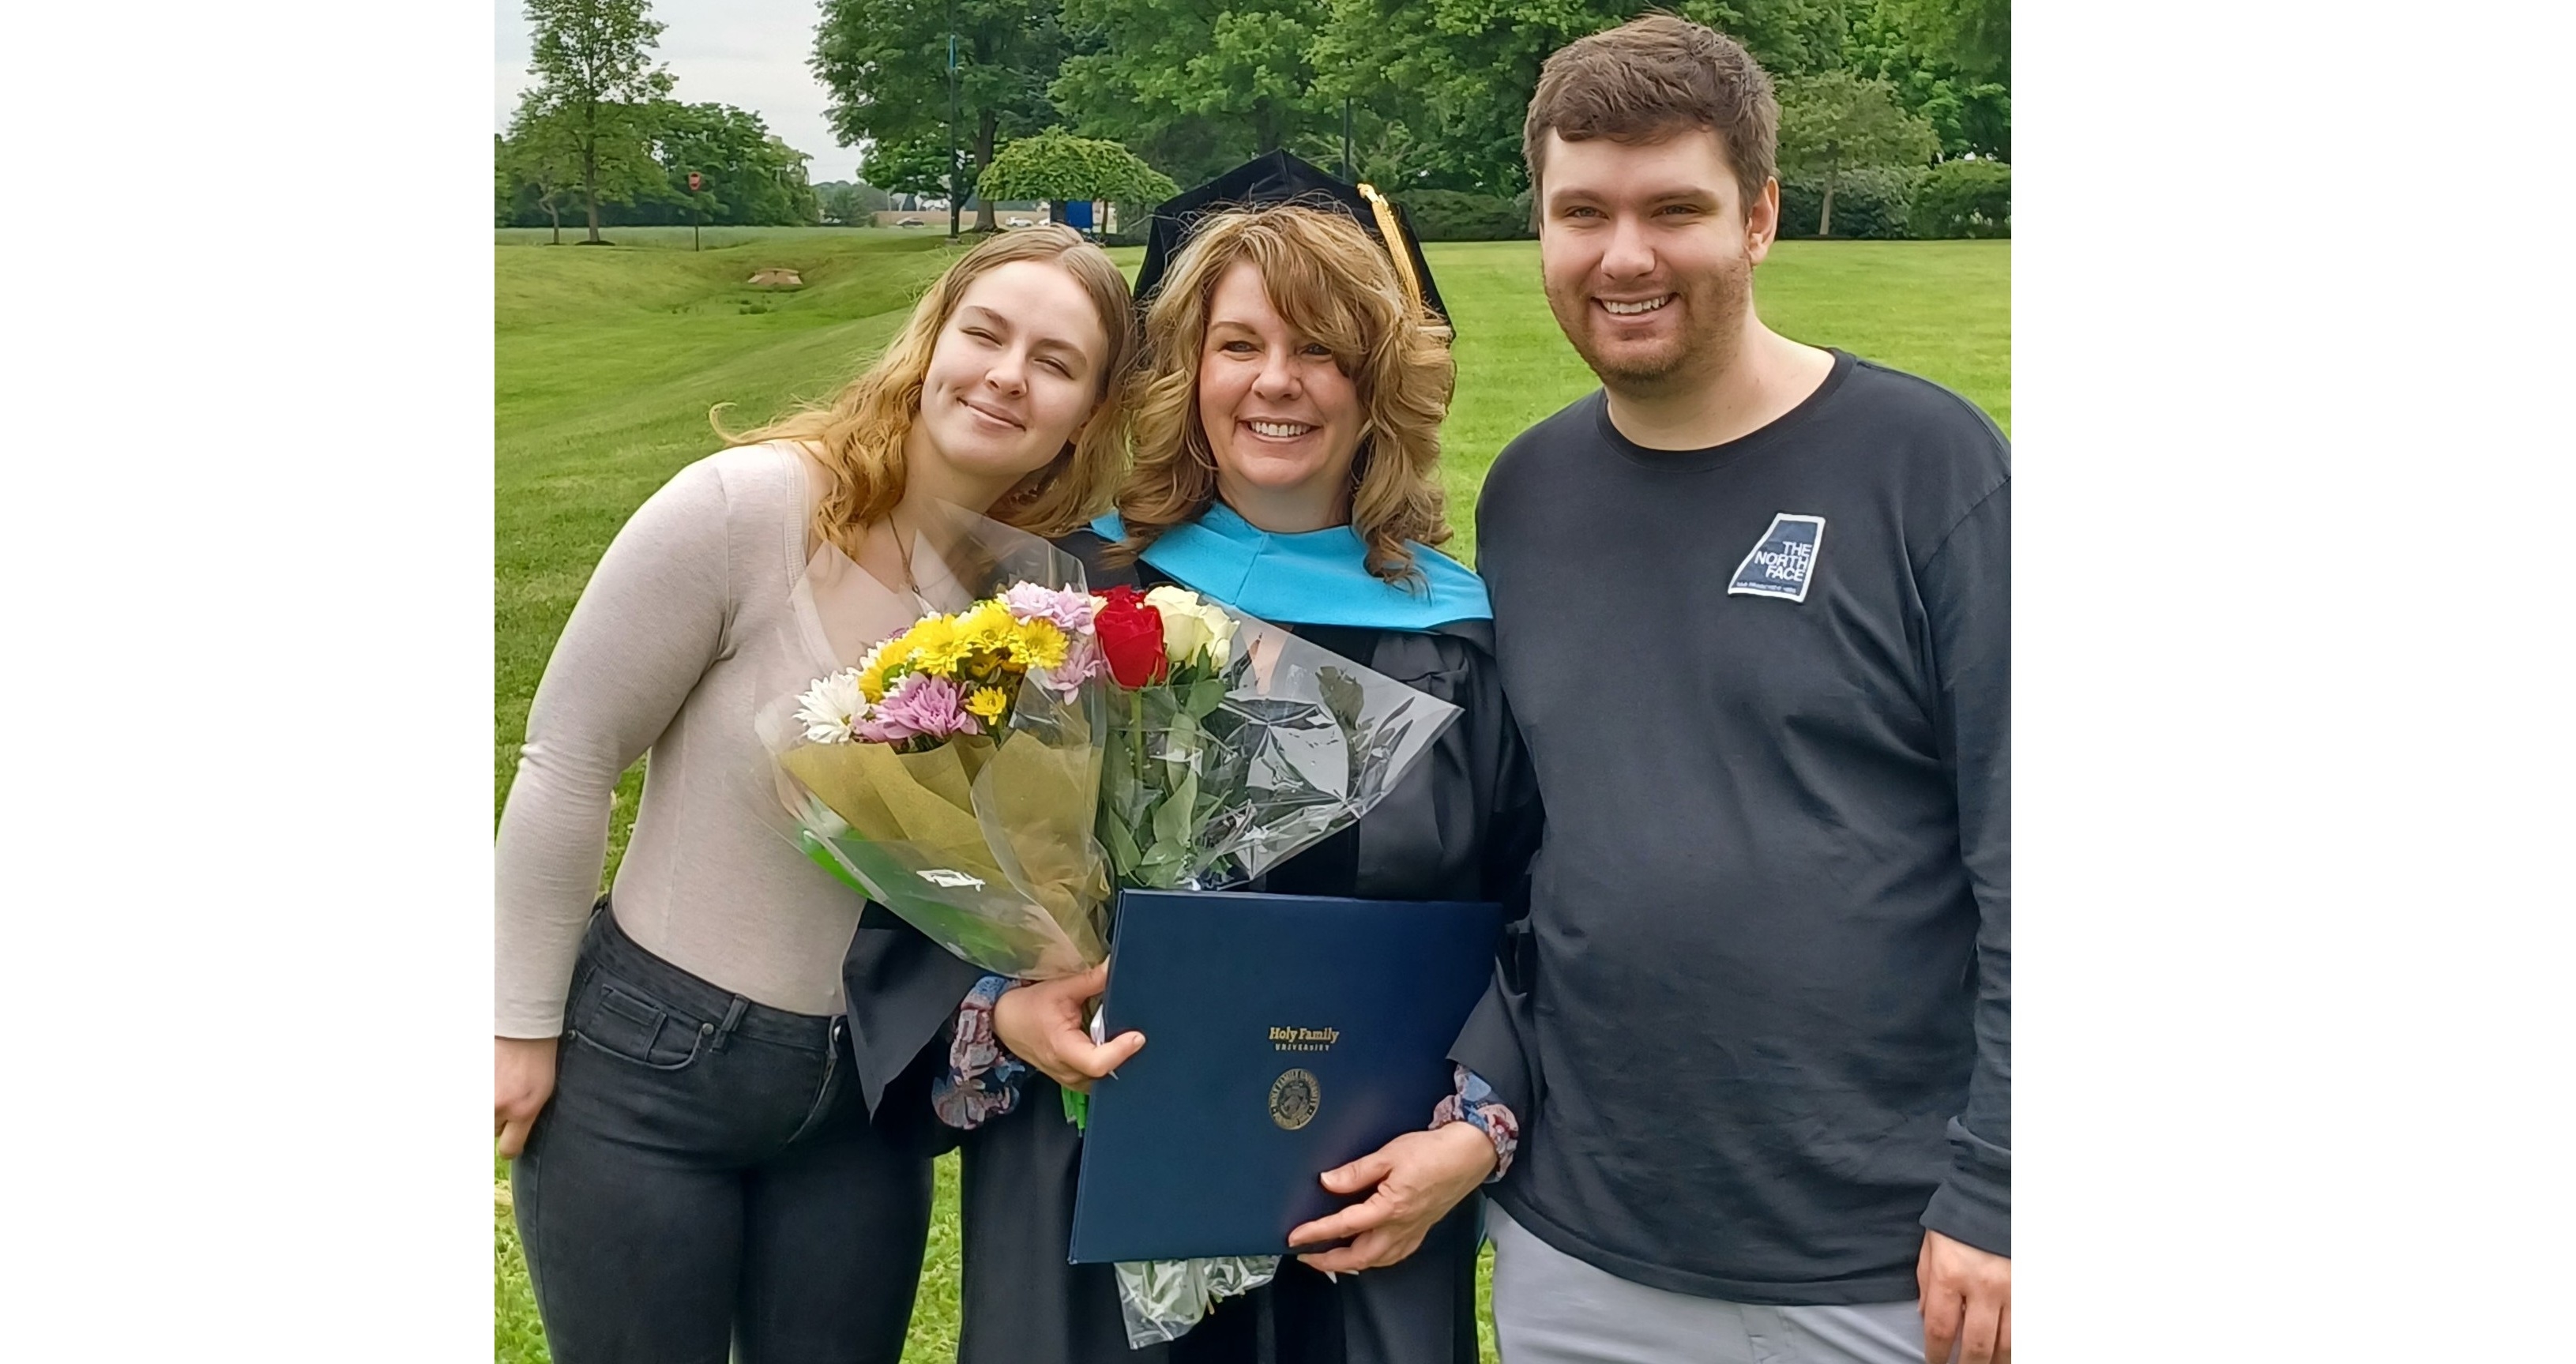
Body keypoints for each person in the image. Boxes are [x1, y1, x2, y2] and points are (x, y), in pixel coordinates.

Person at [1313, 16, 2014, 1364]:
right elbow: (1542, 855)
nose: (1621, 256)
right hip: (1580, 1242)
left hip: (1879, 1256)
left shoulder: (1926, 465)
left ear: (1755, 217)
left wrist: (2003, 1184)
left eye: (1672, 209)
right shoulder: (1528, 492)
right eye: (1581, 212)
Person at [843, 191, 1532, 1364]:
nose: (1278, 382)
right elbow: (934, 879)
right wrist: (1003, 1015)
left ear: (1376, 386)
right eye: (1240, 345)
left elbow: (1540, 908)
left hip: (1360, 1190)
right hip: (1094, 1167)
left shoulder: (1460, 641)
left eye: (1322, 350)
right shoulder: (1063, 602)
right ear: (1187, 373)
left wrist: (1473, 1130)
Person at [492, 224, 1140, 1364]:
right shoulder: (750, 509)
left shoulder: (1033, 602)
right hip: (649, 1076)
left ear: (1087, 408)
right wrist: (518, 1026)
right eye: (982, 333)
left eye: (1054, 361)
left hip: (864, 1107)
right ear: (928, 340)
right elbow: (567, 759)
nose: (1005, 373)